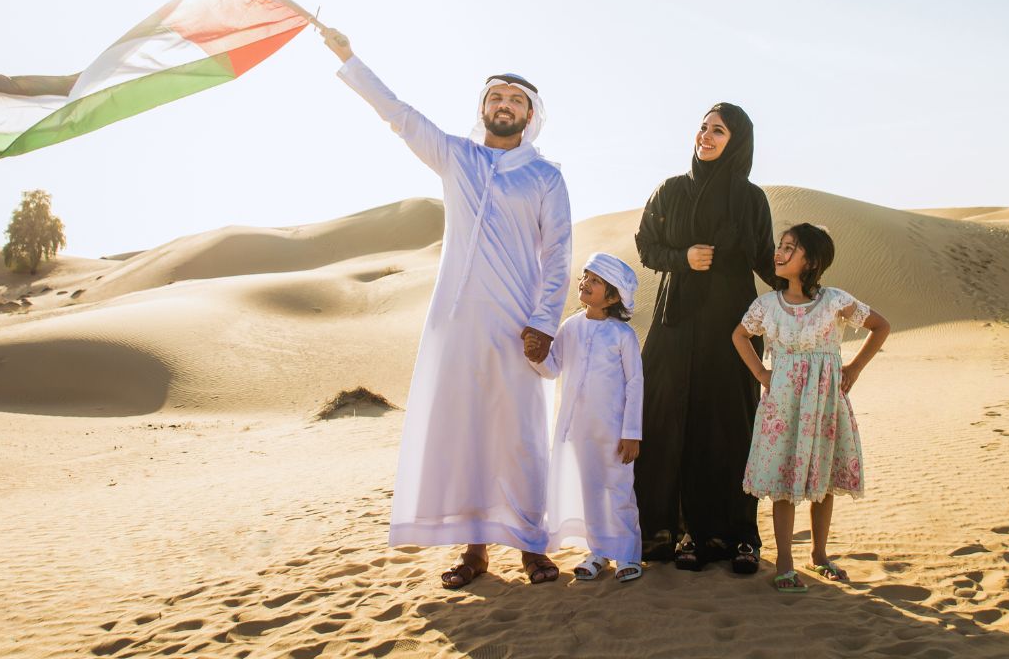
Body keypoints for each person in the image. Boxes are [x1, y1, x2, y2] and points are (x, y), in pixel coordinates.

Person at [320, 29, 572, 588]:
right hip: (456, 323)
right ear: (483, 108)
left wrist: (544, 321)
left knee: (520, 434)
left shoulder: (545, 176)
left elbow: (558, 254)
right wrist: (348, 58)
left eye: (516, 100)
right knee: (466, 432)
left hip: (518, 324)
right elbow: (400, 115)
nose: (504, 105)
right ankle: (474, 550)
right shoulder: (456, 156)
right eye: (496, 97)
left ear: (530, 115)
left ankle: (532, 546)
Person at [633, 104, 777, 573]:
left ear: (737, 142)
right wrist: (683, 258)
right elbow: (646, 245)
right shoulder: (671, 191)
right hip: (675, 323)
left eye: (718, 131)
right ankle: (681, 532)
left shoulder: (751, 199)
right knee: (669, 419)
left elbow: (765, 258)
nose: (706, 136)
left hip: (732, 328)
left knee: (730, 423)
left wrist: (806, 286)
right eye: (703, 128)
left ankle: (738, 536)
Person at [731, 223, 890, 592]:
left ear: (812, 261)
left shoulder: (834, 300)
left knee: (824, 477)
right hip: (783, 403)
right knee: (783, 480)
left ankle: (820, 555)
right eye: (780, 246)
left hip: (824, 401)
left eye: (790, 248)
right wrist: (761, 373)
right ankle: (785, 563)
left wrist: (854, 368)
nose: (779, 253)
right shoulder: (767, 304)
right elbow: (740, 335)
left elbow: (880, 326)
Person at [528, 253, 644, 583]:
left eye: (595, 281)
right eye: (585, 276)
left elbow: (635, 383)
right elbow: (553, 368)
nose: (585, 283)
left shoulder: (623, 335)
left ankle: (627, 554)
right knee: (590, 491)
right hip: (579, 430)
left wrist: (632, 432)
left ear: (613, 297)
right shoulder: (571, 327)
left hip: (615, 432)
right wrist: (536, 356)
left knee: (618, 491)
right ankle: (598, 551)